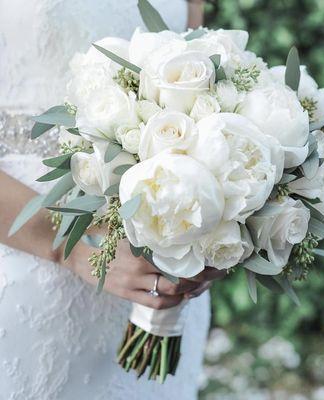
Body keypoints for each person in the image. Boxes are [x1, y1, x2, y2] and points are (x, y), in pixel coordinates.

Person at [0, 1, 224, 398]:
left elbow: (199, 90)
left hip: (153, 284)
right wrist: (68, 246)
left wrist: (222, 222)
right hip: (23, 266)